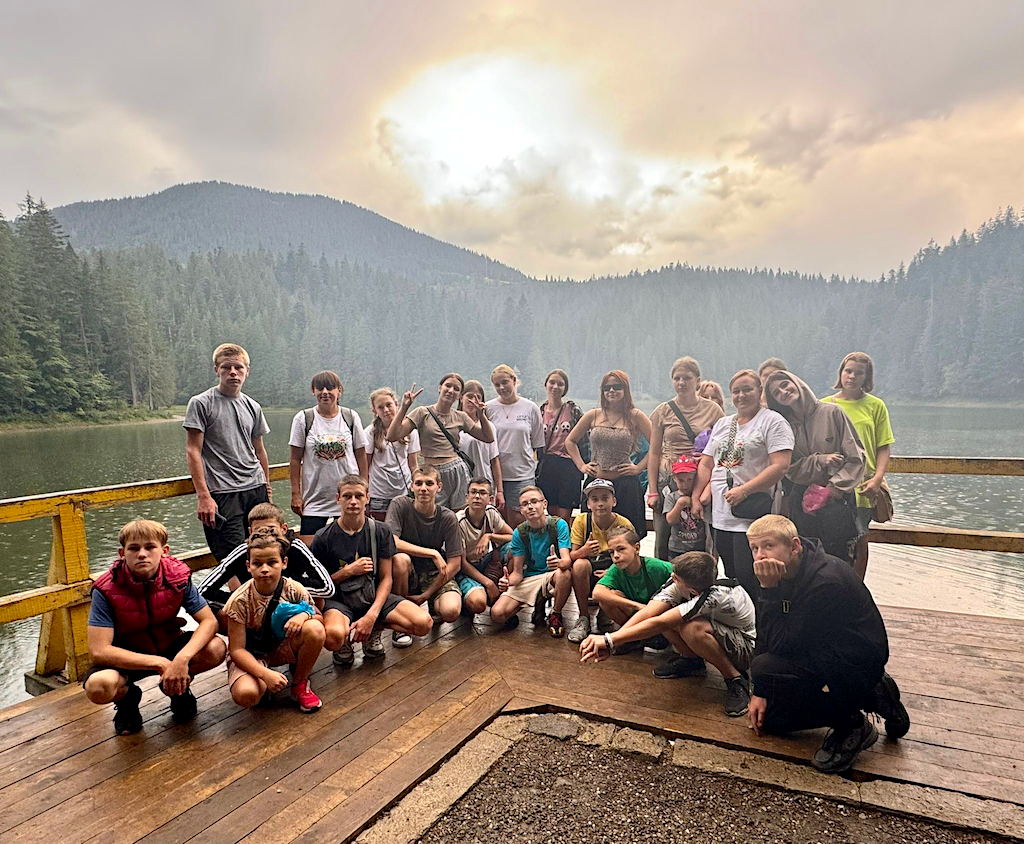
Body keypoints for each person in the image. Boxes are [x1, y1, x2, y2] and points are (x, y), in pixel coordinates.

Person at [746, 515, 910, 774]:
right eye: (755, 548)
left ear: (794, 545)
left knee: (766, 667)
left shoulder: (825, 580)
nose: (760, 556)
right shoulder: (783, 572)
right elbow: (767, 632)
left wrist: (767, 590)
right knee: (772, 720)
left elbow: (783, 645)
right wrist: (761, 691)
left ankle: (852, 723)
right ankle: (876, 693)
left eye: (768, 546)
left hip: (855, 658)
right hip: (819, 647)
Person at [83, 519, 226, 736]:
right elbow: (99, 650)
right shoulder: (106, 589)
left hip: (168, 643)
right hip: (128, 655)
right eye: (134, 548)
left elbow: (209, 621)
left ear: (164, 551)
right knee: (98, 686)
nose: (142, 554)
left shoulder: (178, 577)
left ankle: (177, 689)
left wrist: (181, 660)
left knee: (215, 648)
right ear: (122, 553)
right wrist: (160, 664)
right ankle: (127, 701)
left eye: (150, 547)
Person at [580, 547, 755, 717]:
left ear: (693, 590)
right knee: (668, 613)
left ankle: (735, 679)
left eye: (676, 578)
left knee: (692, 628)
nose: (672, 578)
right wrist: (613, 642)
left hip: (744, 647)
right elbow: (649, 612)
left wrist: (610, 640)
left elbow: (658, 623)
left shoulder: (716, 595)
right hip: (719, 631)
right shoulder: (690, 581)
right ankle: (692, 662)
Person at [692, 370, 793, 602]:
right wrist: (696, 496)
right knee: (732, 574)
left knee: (752, 576)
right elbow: (707, 463)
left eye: (747, 389)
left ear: (759, 391)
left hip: (751, 513)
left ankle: (762, 625)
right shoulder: (723, 424)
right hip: (720, 514)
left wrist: (745, 490)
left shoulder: (772, 421)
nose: (741, 395)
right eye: (736, 391)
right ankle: (742, 625)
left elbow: (781, 465)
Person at [311, 475, 432, 666]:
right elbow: (319, 586)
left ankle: (373, 630)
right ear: (338, 499)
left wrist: (372, 616)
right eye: (347, 496)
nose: (353, 502)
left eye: (358, 496)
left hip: (371, 593)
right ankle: (344, 642)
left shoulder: (380, 531)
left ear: (367, 498)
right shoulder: (323, 537)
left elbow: (386, 579)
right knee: (333, 636)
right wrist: (348, 572)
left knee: (423, 623)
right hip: (340, 599)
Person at [765, 370, 866, 564]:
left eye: (785, 385)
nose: (783, 392)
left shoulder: (832, 412)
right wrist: (819, 460)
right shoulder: (784, 425)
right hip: (801, 499)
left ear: (797, 382)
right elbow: (790, 467)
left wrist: (834, 489)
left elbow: (856, 457)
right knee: (805, 557)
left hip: (836, 498)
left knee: (840, 558)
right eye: (777, 392)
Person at [184, 343, 271, 562]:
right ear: (217, 370)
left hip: (255, 487)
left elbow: (259, 450)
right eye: (226, 367)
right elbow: (193, 450)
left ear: (247, 371)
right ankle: (239, 597)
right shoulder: (201, 403)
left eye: (238, 367)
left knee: (263, 551)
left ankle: (260, 597)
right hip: (223, 491)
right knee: (233, 558)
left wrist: (266, 487)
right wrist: (203, 496)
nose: (233, 372)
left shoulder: (253, 406)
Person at [223, 531, 326, 712]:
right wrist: (264, 674)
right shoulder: (238, 600)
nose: (264, 569)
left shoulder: (294, 588)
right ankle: (263, 684)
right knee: (247, 694)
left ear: (283, 563)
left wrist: (304, 616)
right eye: (257, 563)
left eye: (272, 562)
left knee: (315, 629)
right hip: (251, 653)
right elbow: (236, 649)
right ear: (248, 566)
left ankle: (299, 684)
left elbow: (318, 617)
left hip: (280, 646)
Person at [197, 502, 334, 632]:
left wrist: (284, 588)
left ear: (284, 529)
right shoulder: (243, 551)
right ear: (250, 532)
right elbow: (203, 589)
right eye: (260, 532)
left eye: (272, 531)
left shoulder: (295, 547)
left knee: (317, 601)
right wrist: (242, 600)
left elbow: (327, 588)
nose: (267, 537)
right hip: (252, 607)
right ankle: (245, 643)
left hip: (288, 606)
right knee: (212, 609)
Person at [821, 352, 895, 579]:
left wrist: (878, 479)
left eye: (858, 373)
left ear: (867, 377)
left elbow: (883, 446)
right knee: (828, 540)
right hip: (831, 484)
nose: (852, 376)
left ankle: (857, 588)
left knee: (860, 540)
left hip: (863, 485)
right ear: (841, 373)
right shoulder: (824, 405)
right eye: (848, 371)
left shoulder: (875, 406)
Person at [647, 357, 725, 560]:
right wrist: (653, 491)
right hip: (670, 479)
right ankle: (663, 581)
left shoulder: (713, 410)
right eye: (677, 378)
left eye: (687, 378)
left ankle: (706, 578)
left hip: (700, 478)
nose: (681, 383)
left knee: (705, 534)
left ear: (697, 381)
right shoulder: (662, 411)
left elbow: (722, 446)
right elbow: (654, 453)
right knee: (664, 534)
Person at [566, 370, 652, 541]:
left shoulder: (636, 416)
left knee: (628, 536)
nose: (611, 391)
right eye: (607, 387)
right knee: (591, 534)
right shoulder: (594, 415)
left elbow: (658, 446)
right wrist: (582, 466)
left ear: (625, 389)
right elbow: (570, 441)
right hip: (596, 483)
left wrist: (638, 468)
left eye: (617, 386)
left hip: (626, 485)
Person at [387, 374, 494, 511]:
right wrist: (403, 408)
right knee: (431, 513)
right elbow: (392, 436)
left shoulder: (460, 416)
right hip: (431, 471)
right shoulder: (422, 413)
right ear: (440, 388)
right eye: (448, 386)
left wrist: (481, 415)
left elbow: (488, 437)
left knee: (459, 514)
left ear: (459, 395)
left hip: (456, 471)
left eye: (456, 389)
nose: (451, 391)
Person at [289, 371, 369, 543]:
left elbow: (361, 454)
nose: (325, 392)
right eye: (320, 388)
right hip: (314, 500)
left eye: (330, 387)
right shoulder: (303, 419)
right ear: (313, 391)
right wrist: (296, 494)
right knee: (310, 552)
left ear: (339, 391)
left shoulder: (350, 417)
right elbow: (295, 459)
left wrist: (364, 487)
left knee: (349, 548)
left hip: (348, 498)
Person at [385, 465, 465, 638]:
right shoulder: (400, 504)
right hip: (407, 572)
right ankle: (401, 623)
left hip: (434, 573)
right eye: (419, 483)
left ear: (439, 487)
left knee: (451, 611)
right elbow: (392, 541)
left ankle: (433, 604)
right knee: (400, 559)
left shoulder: (447, 517)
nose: (423, 488)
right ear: (412, 486)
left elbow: (455, 563)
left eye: (429, 483)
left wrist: (427, 594)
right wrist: (432, 553)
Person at [489, 486, 573, 636]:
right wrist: (507, 582)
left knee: (564, 574)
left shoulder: (558, 525)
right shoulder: (519, 533)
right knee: (497, 614)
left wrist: (558, 562)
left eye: (534, 501)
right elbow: (517, 573)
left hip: (552, 575)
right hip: (530, 577)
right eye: (525, 504)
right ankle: (533, 604)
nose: (530, 507)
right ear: (521, 510)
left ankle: (556, 613)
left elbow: (567, 561)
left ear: (544, 504)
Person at [566, 479, 636, 643]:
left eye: (605, 498)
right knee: (579, 565)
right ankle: (583, 617)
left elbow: (632, 559)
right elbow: (571, 556)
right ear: (588, 504)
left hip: (613, 572)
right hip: (589, 572)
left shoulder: (624, 524)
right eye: (595, 499)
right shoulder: (582, 520)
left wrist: (612, 571)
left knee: (625, 569)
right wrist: (584, 551)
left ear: (614, 501)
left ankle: (605, 614)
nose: (600, 504)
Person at [487, 364, 545, 527]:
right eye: (497, 385)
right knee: (496, 522)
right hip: (494, 475)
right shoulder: (489, 408)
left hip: (522, 475)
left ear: (514, 380)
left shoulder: (530, 408)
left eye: (505, 382)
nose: (502, 387)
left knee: (521, 522)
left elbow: (536, 443)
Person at [589, 526, 673, 631]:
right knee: (607, 599)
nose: (616, 556)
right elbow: (597, 593)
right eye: (611, 552)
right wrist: (637, 606)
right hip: (637, 612)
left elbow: (681, 575)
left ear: (637, 548)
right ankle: (632, 636)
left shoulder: (657, 566)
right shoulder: (616, 569)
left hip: (660, 615)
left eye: (621, 549)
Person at [455, 477, 515, 614]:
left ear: (490, 498)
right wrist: (488, 583)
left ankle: (507, 592)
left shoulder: (491, 512)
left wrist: (489, 536)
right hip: (467, 568)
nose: (477, 496)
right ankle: (467, 600)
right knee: (478, 603)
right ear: (466, 497)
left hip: (486, 560)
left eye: (482, 493)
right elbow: (462, 563)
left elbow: (513, 537)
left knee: (515, 548)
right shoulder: (458, 522)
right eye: (473, 492)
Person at [365, 387, 421, 521]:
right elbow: (365, 465)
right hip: (379, 493)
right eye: (380, 407)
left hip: (403, 490)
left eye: (388, 405)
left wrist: (418, 484)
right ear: (375, 411)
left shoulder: (410, 431)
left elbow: (413, 464)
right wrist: (364, 491)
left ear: (396, 404)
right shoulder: (370, 432)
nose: (386, 410)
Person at [536, 369, 585, 522]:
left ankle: (562, 545)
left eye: (560, 384)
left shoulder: (573, 411)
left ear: (565, 388)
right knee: (548, 514)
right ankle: (551, 545)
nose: (555, 387)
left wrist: (582, 465)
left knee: (563, 516)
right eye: (552, 382)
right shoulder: (539, 411)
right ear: (546, 384)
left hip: (568, 466)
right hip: (547, 465)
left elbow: (584, 441)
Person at [459, 380, 502, 496]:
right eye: (469, 396)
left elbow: (494, 460)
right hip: (461, 484)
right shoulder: (454, 425)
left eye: (478, 397)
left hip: (485, 482)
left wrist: (499, 491)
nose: (473, 401)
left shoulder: (488, 428)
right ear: (461, 398)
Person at [664, 455, 706, 556]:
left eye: (689, 480)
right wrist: (680, 504)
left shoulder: (700, 496)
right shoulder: (671, 497)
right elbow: (670, 520)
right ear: (674, 478)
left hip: (699, 547)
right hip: (677, 547)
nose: (685, 485)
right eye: (681, 480)